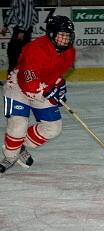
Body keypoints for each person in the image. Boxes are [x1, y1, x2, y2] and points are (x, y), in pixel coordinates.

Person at [0, 15, 76, 173]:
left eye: (68, 36)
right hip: (19, 86)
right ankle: (10, 156)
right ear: (51, 34)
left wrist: (59, 85)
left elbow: (58, 74)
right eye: (61, 35)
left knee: (53, 127)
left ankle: (19, 145)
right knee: (18, 125)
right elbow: (29, 79)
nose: (65, 39)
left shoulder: (69, 52)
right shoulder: (36, 48)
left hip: (42, 87)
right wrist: (49, 90)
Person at [0, 0, 38, 76]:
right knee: (14, 54)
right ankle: (14, 77)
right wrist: (6, 25)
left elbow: (28, 13)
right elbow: (12, 11)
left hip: (23, 29)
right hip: (19, 29)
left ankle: (15, 78)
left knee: (16, 54)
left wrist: (23, 30)